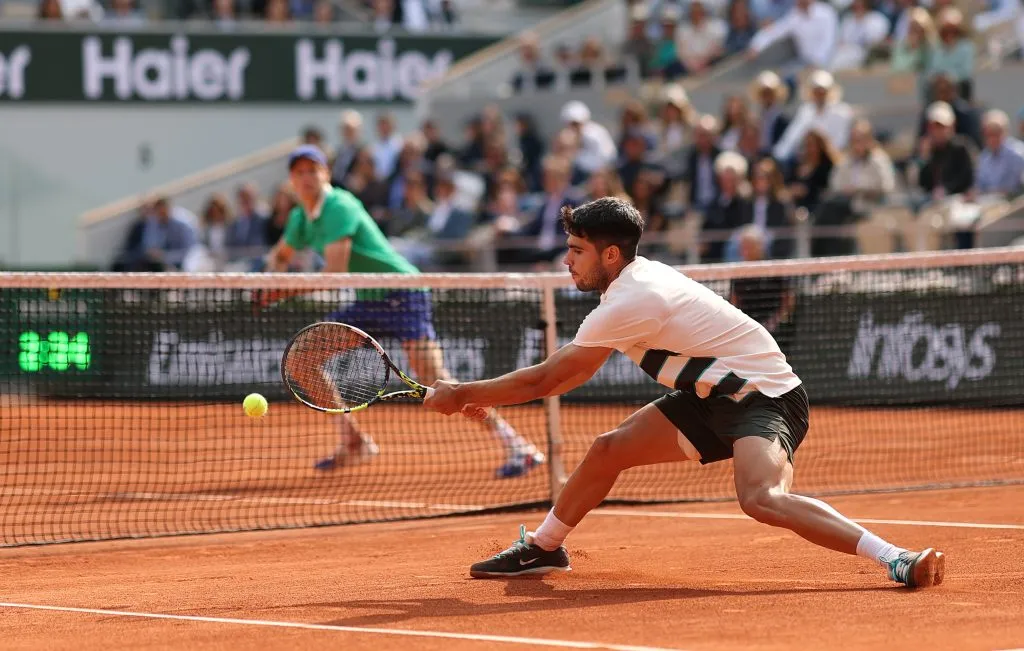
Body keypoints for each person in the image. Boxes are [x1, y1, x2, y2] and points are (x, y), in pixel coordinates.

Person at [424, 196, 946, 589]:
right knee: (608, 450)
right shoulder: (628, 285)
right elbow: (555, 377)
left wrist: (462, 392)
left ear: (610, 254)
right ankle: (544, 547)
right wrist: (478, 394)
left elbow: (550, 379)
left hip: (764, 397)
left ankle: (894, 557)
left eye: (576, 251)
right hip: (708, 396)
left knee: (761, 499)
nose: (567, 261)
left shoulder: (633, 298)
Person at [265, 145, 545, 478]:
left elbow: (333, 273)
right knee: (302, 360)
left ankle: (518, 446)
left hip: (403, 292)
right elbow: (281, 255)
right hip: (369, 300)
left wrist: (280, 290)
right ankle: (352, 441)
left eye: (313, 170)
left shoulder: (340, 205)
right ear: (292, 180)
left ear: (326, 174)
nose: (307, 177)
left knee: (436, 380)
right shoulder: (300, 217)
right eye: (300, 172)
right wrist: (269, 278)